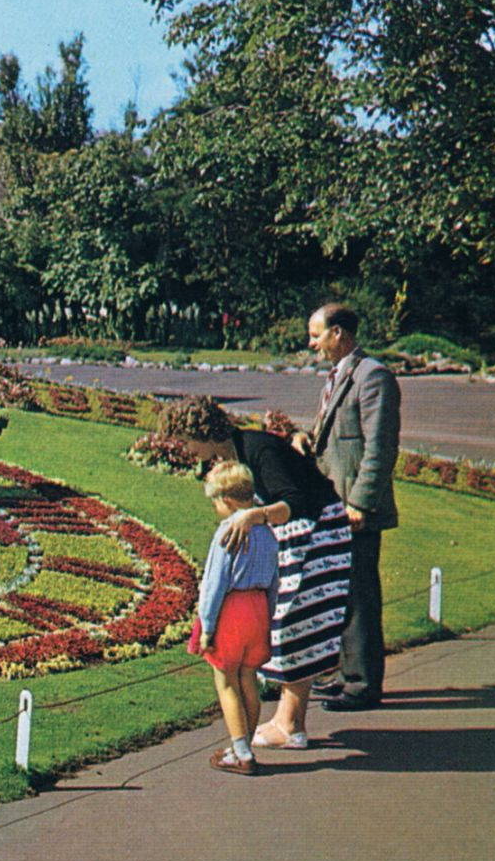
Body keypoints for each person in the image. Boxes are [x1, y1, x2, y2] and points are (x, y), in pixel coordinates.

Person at [157, 395, 351, 750]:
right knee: (286, 623)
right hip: (297, 535)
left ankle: (291, 724)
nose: (185, 449)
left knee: (295, 624)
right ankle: (289, 720)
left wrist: (252, 516)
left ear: (200, 432)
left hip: (319, 533)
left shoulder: (257, 448)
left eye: (185, 441)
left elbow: (294, 500)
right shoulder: (237, 454)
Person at [293, 303, 401, 711]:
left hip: (355, 509)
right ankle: (344, 672)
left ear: (338, 333)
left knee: (358, 596)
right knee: (339, 592)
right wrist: (307, 439)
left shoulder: (373, 377)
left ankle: (362, 685)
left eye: (316, 334)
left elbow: (380, 447)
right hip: (335, 505)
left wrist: (359, 502)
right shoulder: (342, 375)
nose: (311, 342)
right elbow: (340, 437)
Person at [191, 461, 281, 776]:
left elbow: (215, 584)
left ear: (226, 500)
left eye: (215, 501)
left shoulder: (227, 532)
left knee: (226, 681)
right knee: (248, 679)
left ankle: (241, 753)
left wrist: (207, 627)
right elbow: (274, 581)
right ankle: (242, 744)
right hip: (258, 610)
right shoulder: (267, 533)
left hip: (231, 610)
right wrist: (267, 617)